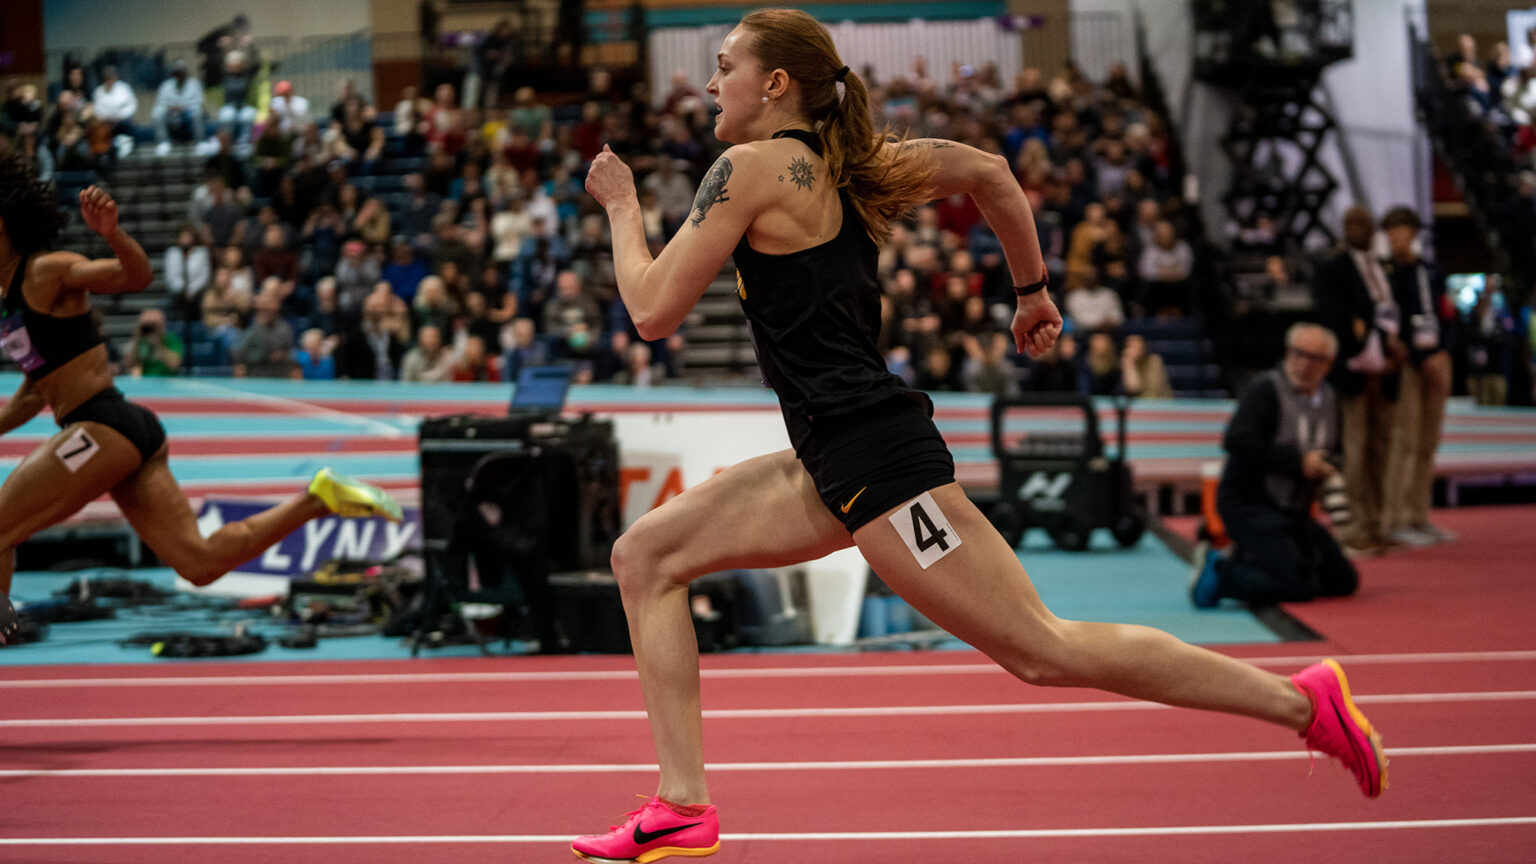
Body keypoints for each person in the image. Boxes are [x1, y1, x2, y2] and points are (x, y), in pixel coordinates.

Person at [571, 11, 1386, 863]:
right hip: (830, 457)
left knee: (1042, 648)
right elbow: (991, 174)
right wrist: (1030, 290)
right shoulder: (861, 164)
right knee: (646, 558)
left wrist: (624, 207)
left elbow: (653, 309)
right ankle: (682, 805)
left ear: (775, 84)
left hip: (879, 467)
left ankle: (1304, 703)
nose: (710, 83)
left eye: (724, 64)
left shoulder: (747, 167)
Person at [0, 157, 401, 646]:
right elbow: (34, 391)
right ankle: (318, 500)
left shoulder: (45, 270)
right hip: (121, 435)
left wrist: (113, 234)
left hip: (99, 426)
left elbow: (136, 278)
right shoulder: (9, 299)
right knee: (200, 564)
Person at [1190, 323, 1358, 607]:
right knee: (1296, 587)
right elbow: (1236, 442)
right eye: (1298, 354)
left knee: (1342, 581)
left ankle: (1251, 557)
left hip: (1294, 512)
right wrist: (1297, 462)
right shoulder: (1265, 391)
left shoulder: (1331, 399)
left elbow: (1335, 449)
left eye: (1313, 357)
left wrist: (1328, 467)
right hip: (1249, 505)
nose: (1303, 364)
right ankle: (1222, 571)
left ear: (1328, 364)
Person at [1312, 206, 1401, 556]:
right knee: (1355, 451)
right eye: (1350, 223)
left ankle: (1378, 523)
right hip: (1353, 374)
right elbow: (1334, 319)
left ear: (1373, 228)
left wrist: (1393, 349)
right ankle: (1353, 526)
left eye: (1363, 223)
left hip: (1386, 375)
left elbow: (1393, 315)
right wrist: (1364, 338)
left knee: (1381, 452)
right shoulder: (1332, 270)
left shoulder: (1384, 269)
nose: (1357, 229)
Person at [1377, 207, 1455, 547]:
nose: (1395, 237)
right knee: (1404, 440)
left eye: (1400, 230)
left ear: (1412, 232)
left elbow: (1447, 314)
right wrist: (1421, 355)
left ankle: (1419, 515)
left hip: (1437, 359)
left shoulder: (1431, 271)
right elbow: (1390, 320)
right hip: (1411, 362)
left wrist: (1442, 352)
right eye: (1390, 232)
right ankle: (1394, 517)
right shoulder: (1388, 273)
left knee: (1427, 441)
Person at [152, 60, 206, 156]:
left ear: (186, 72)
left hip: (188, 112)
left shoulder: (194, 83)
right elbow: (160, 102)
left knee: (197, 110)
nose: (180, 74)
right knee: (157, 112)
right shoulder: (166, 85)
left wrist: (185, 107)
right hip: (171, 113)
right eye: (178, 72)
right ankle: (163, 142)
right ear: (174, 73)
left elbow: (199, 101)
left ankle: (200, 142)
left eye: (182, 72)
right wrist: (171, 107)